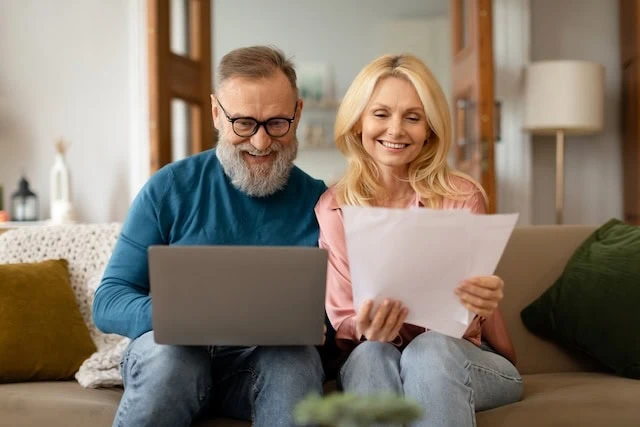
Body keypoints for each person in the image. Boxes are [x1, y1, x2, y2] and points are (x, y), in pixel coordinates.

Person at [93, 46, 333, 427]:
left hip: (261, 370)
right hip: (173, 363)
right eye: (243, 123)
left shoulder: (321, 203)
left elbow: (338, 315)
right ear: (217, 113)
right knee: (172, 356)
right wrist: (183, 318)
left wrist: (323, 324)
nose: (260, 142)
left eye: (276, 124)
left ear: (298, 114)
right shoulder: (170, 188)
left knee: (296, 358)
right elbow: (108, 301)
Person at [314, 54, 523, 427]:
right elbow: (344, 319)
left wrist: (479, 300)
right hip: (376, 353)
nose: (395, 130)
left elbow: (467, 320)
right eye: (380, 114)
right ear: (358, 121)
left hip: (462, 356)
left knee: (427, 352)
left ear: (430, 129)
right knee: (369, 356)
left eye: (413, 117)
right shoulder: (334, 207)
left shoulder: (461, 195)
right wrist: (367, 328)